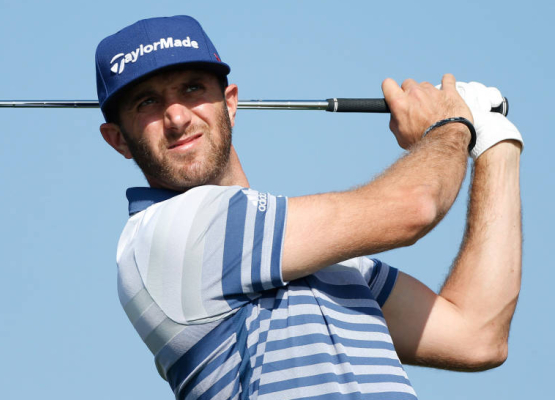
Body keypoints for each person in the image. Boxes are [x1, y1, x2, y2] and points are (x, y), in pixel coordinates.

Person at [95, 15, 523, 400]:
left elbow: (477, 335)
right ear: (118, 140)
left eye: (192, 89)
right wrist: (450, 126)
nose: (176, 117)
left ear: (229, 102)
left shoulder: (320, 258)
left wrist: (496, 142)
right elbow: (415, 205)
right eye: (146, 102)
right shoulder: (169, 232)